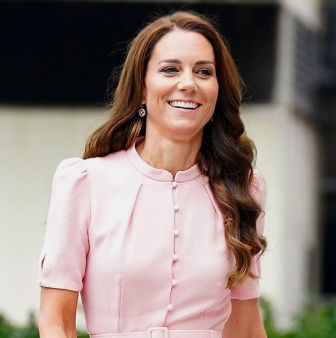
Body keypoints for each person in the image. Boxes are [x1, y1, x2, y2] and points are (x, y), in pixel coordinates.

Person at [38, 10, 268, 338]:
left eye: (204, 71)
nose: (188, 83)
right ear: (142, 88)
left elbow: (245, 328)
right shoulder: (85, 182)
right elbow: (55, 324)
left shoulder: (244, 189)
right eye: (170, 69)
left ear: (217, 90)